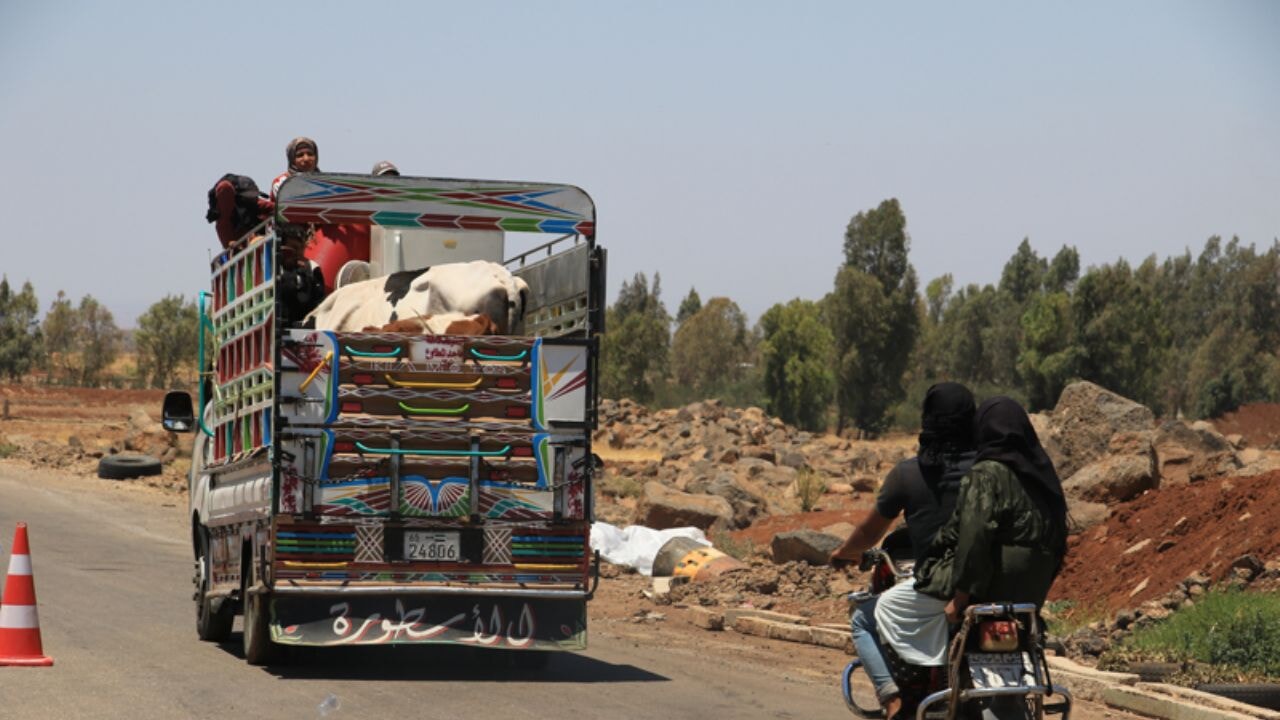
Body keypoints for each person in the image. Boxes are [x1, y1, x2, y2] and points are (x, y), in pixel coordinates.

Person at [873, 396, 1069, 707]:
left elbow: (975, 538)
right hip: (1029, 598)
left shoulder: (986, 473)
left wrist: (961, 597)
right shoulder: (1043, 480)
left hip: (987, 591)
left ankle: (909, 694)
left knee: (887, 606)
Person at [829, 382, 978, 720]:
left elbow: (869, 531)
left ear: (928, 421)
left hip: (939, 588)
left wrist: (842, 553)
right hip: (991, 586)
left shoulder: (909, 474)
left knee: (863, 619)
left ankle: (892, 700)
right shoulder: (991, 471)